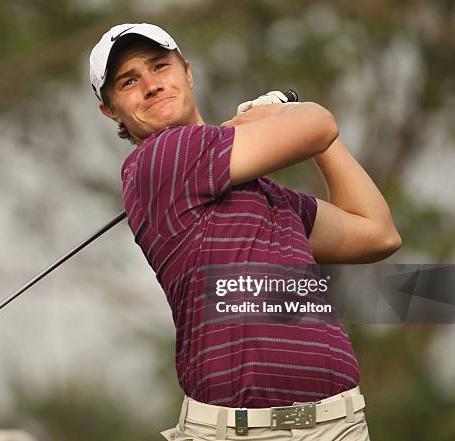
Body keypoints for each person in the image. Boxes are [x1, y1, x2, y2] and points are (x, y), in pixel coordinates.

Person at [89, 23, 401, 441]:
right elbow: (319, 124)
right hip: (238, 432)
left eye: (160, 67)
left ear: (187, 71)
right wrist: (287, 113)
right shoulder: (160, 159)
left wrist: (302, 129)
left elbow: (377, 232)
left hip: (337, 425)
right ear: (111, 110)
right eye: (129, 81)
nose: (151, 85)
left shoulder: (270, 197)